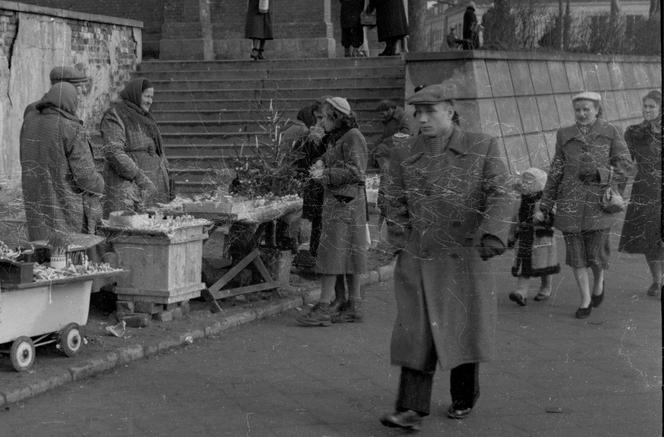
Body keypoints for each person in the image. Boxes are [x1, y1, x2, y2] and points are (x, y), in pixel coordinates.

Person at [379, 82, 513, 431]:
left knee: (462, 327)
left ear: (450, 111)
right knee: (416, 331)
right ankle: (411, 408)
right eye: (417, 112)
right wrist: (400, 237)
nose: (421, 119)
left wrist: (493, 232)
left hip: (464, 253)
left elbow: (501, 193)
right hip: (420, 254)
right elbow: (392, 199)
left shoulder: (482, 145)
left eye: (430, 111)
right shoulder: (404, 152)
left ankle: (463, 396)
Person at [539, 91, 635, 319]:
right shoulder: (564, 134)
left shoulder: (611, 132)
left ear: (597, 109)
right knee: (576, 256)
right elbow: (556, 171)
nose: (581, 114)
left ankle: (599, 280)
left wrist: (602, 175)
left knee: (596, 255)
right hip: (570, 203)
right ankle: (585, 300)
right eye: (578, 110)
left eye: (586, 109)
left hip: (598, 205)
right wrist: (545, 204)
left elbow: (626, 168)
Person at [296, 97, 368, 326]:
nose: (321, 122)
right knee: (346, 253)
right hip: (344, 202)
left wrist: (324, 174)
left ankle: (325, 306)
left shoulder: (352, 136)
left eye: (325, 117)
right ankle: (351, 305)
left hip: (344, 203)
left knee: (332, 254)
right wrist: (320, 162)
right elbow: (330, 158)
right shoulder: (341, 137)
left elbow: (357, 171)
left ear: (336, 117)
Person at [20, 82, 104, 241]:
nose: (77, 104)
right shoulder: (71, 127)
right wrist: (100, 184)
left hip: (34, 197)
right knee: (66, 252)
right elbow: (86, 178)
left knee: (41, 248)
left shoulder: (29, 121)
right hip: (64, 205)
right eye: (76, 99)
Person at [100, 78, 170, 216]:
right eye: (147, 96)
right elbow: (113, 151)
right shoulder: (115, 115)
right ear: (136, 94)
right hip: (128, 188)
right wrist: (140, 178)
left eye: (152, 97)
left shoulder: (146, 118)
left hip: (150, 189)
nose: (150, 101)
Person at [619, 90, 662, 297]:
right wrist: (617, 191)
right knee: (649, 238)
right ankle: (657, 280)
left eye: (652, 106)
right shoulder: (634, 132)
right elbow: (626, 164)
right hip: (644, 189)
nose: (647, 110)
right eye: (645, 106)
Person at [507, 167, 560, 306]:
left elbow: (554, 216)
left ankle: (546, 287)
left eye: (529, 182)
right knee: (525, 264)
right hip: (525, 236)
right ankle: (521, 292)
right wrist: (511, 235)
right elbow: (515, 218)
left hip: (541, 238)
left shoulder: (545, 201)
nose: (525, 184)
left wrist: (544, 216)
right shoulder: (520, 201)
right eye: (524, 181)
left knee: (543, 265)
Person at [24, 65, 90, 118]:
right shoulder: (33, 109)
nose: (84, 91)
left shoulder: (32, 108)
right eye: (79, 88)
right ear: (65, 88)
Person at [371, 100, 414, 171]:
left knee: (381, 149)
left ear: (390, 110)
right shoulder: (389, 118)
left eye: (382, 113)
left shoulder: (403, 117)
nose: (381, 116)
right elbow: (385, 135)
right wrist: (376, 144)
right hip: (391, 146)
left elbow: (406, 134)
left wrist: (385, 142)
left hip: (402, 148)